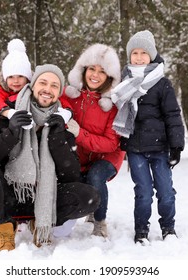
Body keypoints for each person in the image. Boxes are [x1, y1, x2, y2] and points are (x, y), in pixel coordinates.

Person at [0, 64, 100, 252]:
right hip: (8, 197)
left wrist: (56, 137)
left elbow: (71, 176)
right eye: (43, 83)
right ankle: (5, 227)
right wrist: (11, 133)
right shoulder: (7, 113)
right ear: (32, 86)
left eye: (54, 86)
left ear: (58, 92)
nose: (48, 89)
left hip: (44, 198)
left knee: (90, 197)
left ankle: (40, 221)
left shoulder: (62, 121)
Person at [111, 30, 185, 245]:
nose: (140, 56)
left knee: (165, 191)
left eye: (144, 52)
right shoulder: (124, 83)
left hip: (160, 148)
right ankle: (141, 230)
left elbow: (173, 116)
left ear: (152, 55)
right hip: (135, 149)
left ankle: (168, 228)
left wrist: (176, 146)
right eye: (135, 52)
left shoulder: (162, 83)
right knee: (143, 192)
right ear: (129, 55)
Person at [63, 44, 125, 238]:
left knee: (96, 175)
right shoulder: (70, 97)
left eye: (102, 71)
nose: (95, 75)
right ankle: (83, 208)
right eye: (92, 69)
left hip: (108, 155)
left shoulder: (112, 106)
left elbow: (110, 143)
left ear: (110, 77)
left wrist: (80, 134)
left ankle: (100, 222)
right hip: (81, 155)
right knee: (76, 179)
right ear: (83, 70)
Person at [0, 38, 72, 122]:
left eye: (20, 76)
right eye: (11, 77)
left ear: (27, 77)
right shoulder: (3, 92)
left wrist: (67, 112)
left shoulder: (35, 90)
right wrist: (8, 112)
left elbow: (59, 99)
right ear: (5, 79)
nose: (16, 81)